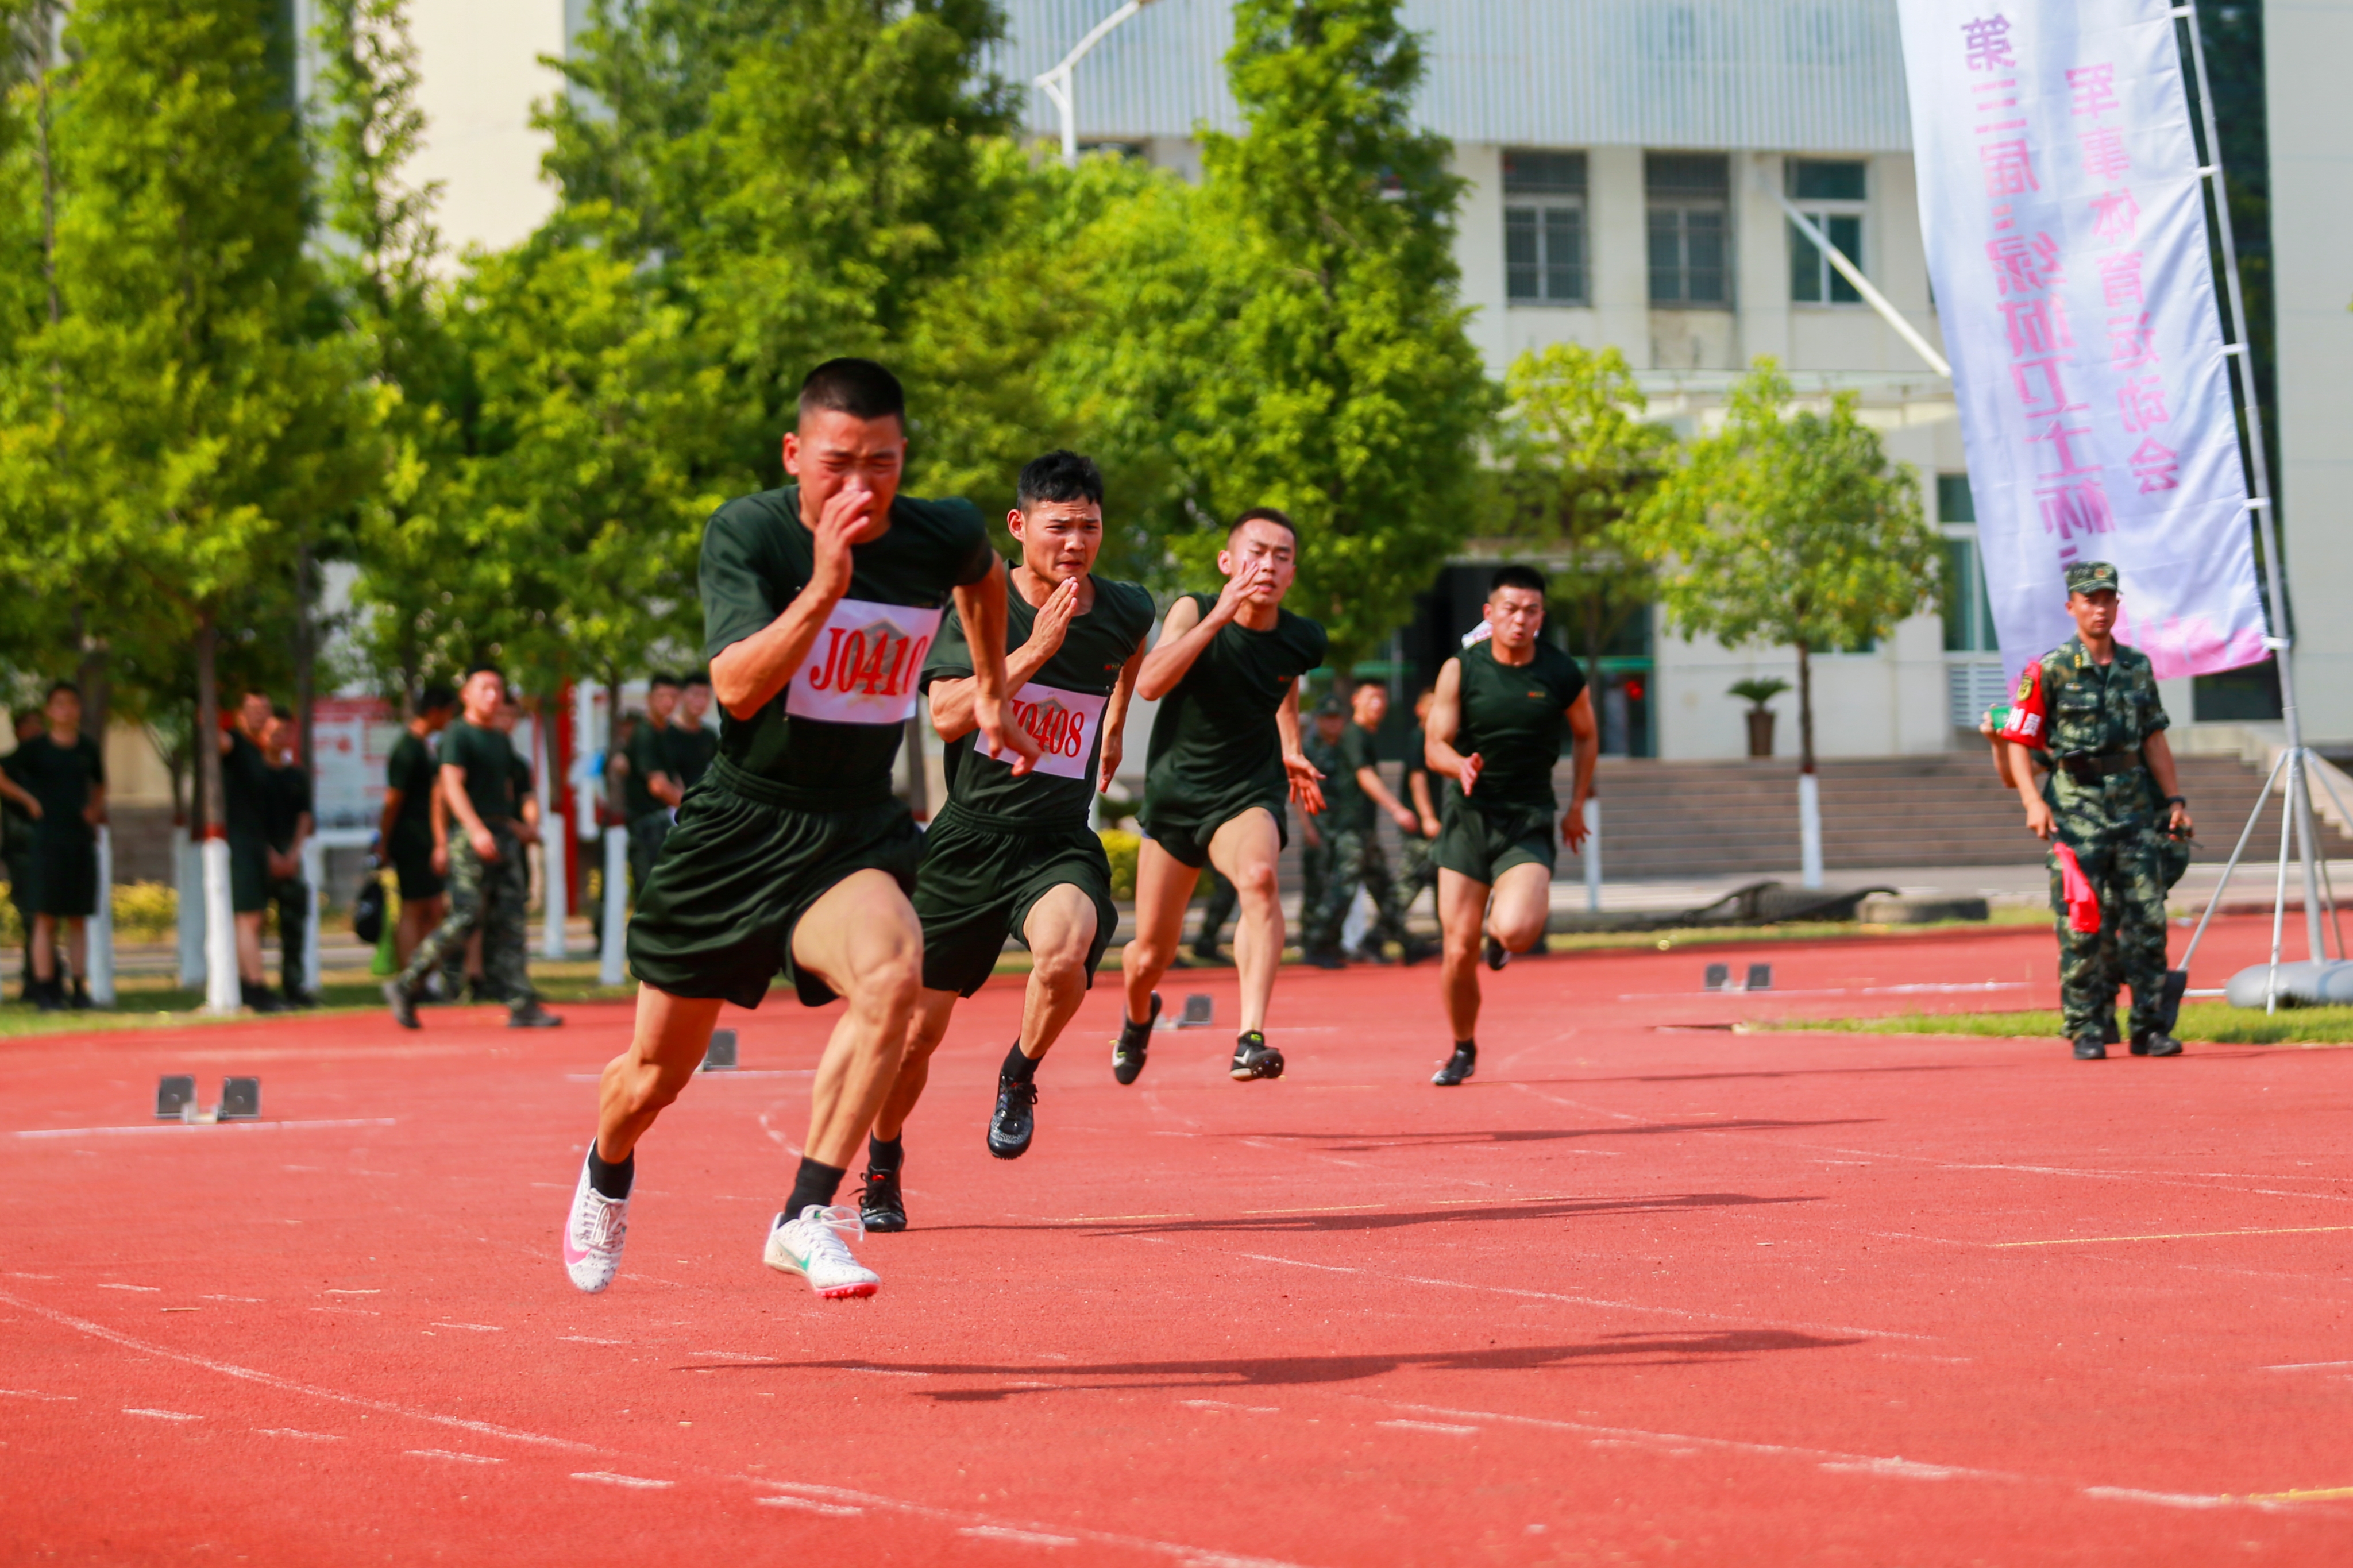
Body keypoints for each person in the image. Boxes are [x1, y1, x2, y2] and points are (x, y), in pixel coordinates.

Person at [565, 357, 1035, 1301]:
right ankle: (607, 1168)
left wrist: (989, 688)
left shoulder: (938, 530)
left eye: (884, 464)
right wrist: (824, 587)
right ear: (795, 453)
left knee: (895, 975)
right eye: (838, 463)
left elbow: (983, 582)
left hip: (851, 830)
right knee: (654, 1077)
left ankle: (808, 1211)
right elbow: (736, 686)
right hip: (736, 827)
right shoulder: (750, 534)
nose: (861, 487)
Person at [860, 450, 1152, 1230]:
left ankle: (1020, 1072)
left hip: (1055, 837)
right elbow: (948, 716)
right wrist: (1033, 654)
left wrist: (1117, 722)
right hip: (967, 841)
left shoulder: (1124, 607)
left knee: (1067, 946)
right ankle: (883, 1160)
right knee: (916, 1034)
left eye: (1090, 527)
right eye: (1060, 527)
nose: (1076, 543)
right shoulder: (977, 606)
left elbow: (1132, 650)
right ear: (1021, 526)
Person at [1116, 509, 1327, 1085]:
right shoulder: (1193, 607)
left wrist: (1290, 744)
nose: (1269, 565)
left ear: (1292, 572)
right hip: (1176, 796)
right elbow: (1151, 683)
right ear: (1227, 562)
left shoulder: (1302, 637)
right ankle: (1138, 1015)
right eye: (1257, 552)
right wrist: (1219, 616)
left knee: (1259, 878)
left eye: (1282, 557)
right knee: (1149, 956)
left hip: (1245, 790)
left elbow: (1283, 679)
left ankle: (1249, 1038)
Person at [1994, 560, 2192, 1061]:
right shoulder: (2049, 669)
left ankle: (2149, 1026)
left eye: (2107, 598)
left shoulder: (2137, 667)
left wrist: (2174, 800)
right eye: (2089, 599)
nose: (2099, 608)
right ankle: (2086, 1026)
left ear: (2117, 604)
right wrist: (2032, 802)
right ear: (2072, 607)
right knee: (2082, 924)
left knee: (2148, 920)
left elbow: (2154, 739)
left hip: (2134, 811)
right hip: (2076, 814)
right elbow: (2018, 740)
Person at [1422, 566, 1599, 1087]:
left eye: (1531, 611)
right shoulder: (1462, 669)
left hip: (1528, 818)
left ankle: (1499, 936)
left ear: (1542, 616)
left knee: (1518, 930)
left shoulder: (1560, 672)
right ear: (1489, 614)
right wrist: (1460, 765)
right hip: (1467, 820)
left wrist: (1577, 805)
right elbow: (1434, 743)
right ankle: (1462, 1046)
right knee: (1456, 951)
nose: (1520, 620)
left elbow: (1587, 736)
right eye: (1510, 609)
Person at [383, 665, 563, 1032]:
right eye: (485, 688)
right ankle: (407, 984)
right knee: (465, 918)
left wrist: (523, 825)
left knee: (511, 920)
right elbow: (450, 787)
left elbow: (519, 789)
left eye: (498, 688)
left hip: (503, 834)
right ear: (466, 694)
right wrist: (474, 830)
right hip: (472, 837)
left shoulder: (499, 739)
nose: (493, 696)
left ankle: (520, 1001)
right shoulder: (457, 735)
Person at [1303, 683, 1426, 967]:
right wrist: (1396, 809)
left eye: (1383, 698)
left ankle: (1404, 943)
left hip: (1363, 827)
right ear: (1357, 701)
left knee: (1385, 888)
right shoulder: (1355, 735)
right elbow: (1364, 775)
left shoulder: (1363, 735)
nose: (1379, 704)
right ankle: (1320, 945)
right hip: (1351, 826)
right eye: (1373, 698)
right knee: (1343, 889)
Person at [0, 683, 106, 1011]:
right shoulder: (36, 749)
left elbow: (101, 782)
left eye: (72, 704)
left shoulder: (87, 748)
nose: (67, 710)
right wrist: (28, 800)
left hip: (78, 840)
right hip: (46, 841)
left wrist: (94, 809)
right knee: (45, 918)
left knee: (78, 918)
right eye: (59, 704)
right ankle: (46, 989)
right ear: (49, 711)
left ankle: (79, 987)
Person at [378, 685, 455, 971]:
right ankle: (410, 978)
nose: (450, 720)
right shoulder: (407, 749)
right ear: (434, 713)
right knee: (412, 908)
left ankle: (425, 976)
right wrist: (384, 842)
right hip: (409, 839)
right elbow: (392, 800)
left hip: (425, 840)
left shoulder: (424, 747)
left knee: (433, 907)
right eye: (448, 713)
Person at [222, 690, 283, 1013]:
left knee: (254, 918)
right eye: (253, 710)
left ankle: (250, 983)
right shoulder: (233, 744)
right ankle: (254, 988)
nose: (261, 715)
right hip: (239, 844)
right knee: (247, 917)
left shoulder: (258, 751)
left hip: (257, 843)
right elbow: (216, 741)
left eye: (265, 709)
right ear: (239, 713)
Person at [263, 705, 316, 1007]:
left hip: (291, 857)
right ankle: (254, 986)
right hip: (260, 857)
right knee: (252, 923)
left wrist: (293, 853)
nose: (279, 737)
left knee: (294, 926)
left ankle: (294, 986)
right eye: (273, 731)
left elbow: (304, 817)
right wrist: (269, 855)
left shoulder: (296, 775)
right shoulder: (255, 773)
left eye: (284, 731)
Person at [615, 675, 682, 901]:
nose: (668, 702)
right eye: (662, 696)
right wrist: (694, 810)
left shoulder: (668, 732)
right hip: (646, 823)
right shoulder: (645, 733)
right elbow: (658, 786)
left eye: (673, 697)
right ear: (650, 699)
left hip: (665, 820)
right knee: (652, 895)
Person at [1296, 697, 1347, 967]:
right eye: (1327, 717)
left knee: (1337, 888)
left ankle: (1332, 943)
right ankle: (1311, 945)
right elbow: (1299, 792)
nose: (1333, 722)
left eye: (1337, 717)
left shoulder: (1346, 748)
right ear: (1318, 721)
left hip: (1341, 829)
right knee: (1316, 889)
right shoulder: (1309, 751)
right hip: (1319, 829)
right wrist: (1307, 828)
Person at [4, 709, 44, 997]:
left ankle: (45, 974)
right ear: (17, 730)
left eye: (38, 725)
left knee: (49, 912)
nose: (35, 730)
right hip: (21, 848)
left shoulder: (49, 762)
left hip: (51, 846)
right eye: (29, 725)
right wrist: (28, 799)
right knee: (30, 913)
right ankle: (34, 978)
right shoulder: (10, 764)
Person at [1396, 686, 1444, 925]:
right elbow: (1417, 779)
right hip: (1421, 827)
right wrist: (1428, 817)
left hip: (1435, 825)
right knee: (1410, 883)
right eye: (1431, 705)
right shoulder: (1419, 737)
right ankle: (1381, 931)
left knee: (1443, 880)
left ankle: (1450, 935)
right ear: (1419, 710)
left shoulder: (1438, 740)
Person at [667, 674, 720, 794]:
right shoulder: (666, 733)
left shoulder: (710, 735)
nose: (701, 701)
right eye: (696, 695)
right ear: (681, 695)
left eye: (706, 696)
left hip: (703, 801)